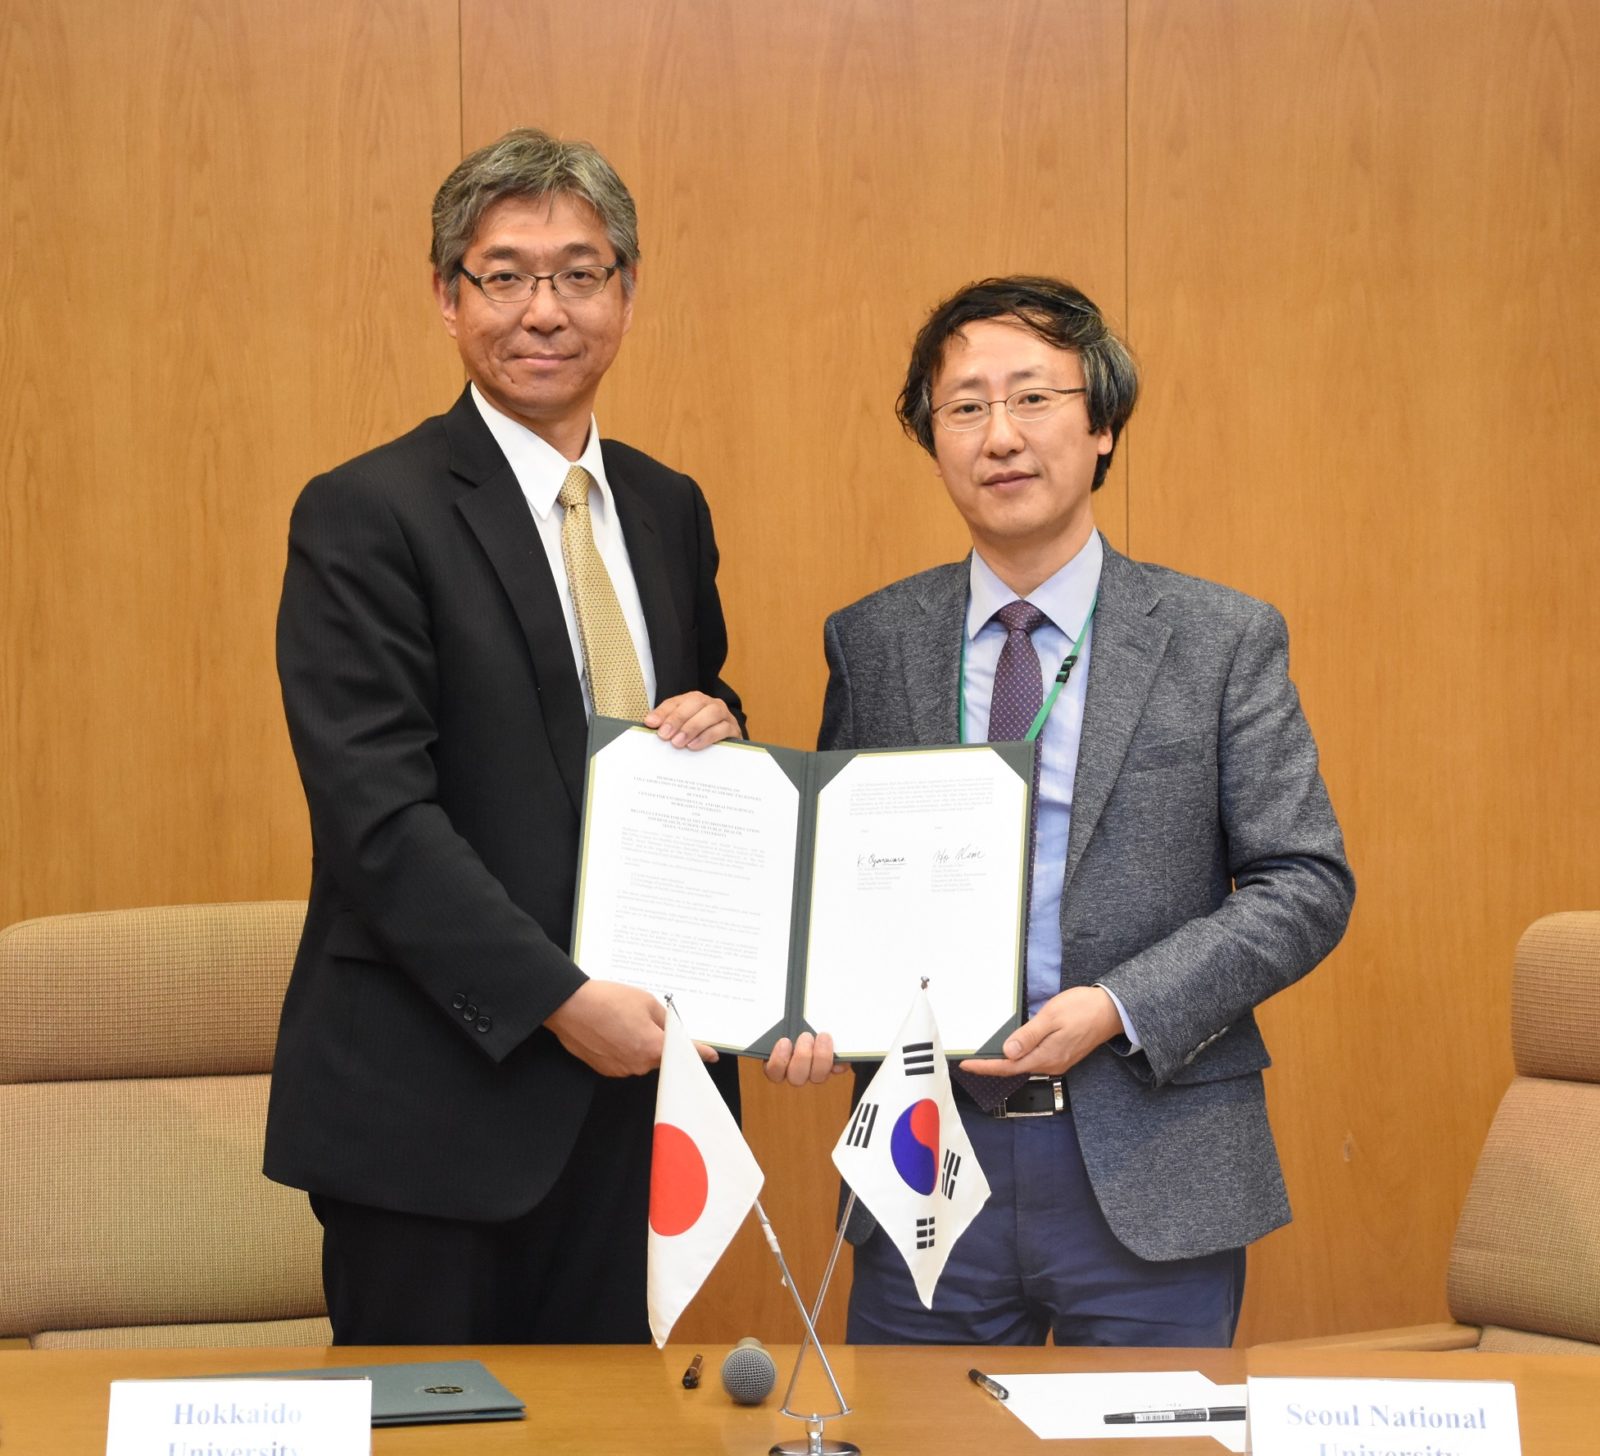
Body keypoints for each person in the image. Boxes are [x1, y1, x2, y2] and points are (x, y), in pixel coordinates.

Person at [768, 276, 1355, 1346]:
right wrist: (799, 1005)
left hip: (1147, 1151)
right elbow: (840, 880)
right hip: (924, 1156)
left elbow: (1303, 882)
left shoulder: (1219, 637)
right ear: (930, 436)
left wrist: (1117, 1004)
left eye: (1033, 398)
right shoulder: (873, 639)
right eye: (964, 406)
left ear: (1102, 426)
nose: (1000, 435)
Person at [265, 128, 746, 1345]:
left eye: (580, 274)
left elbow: (681, 752)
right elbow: (378, 821)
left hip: (639, 1108)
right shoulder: (367, 512)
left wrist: (721, 732)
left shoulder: (668, 506)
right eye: (505, 274)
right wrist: (560, 999)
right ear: (446, 296)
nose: (545, 309)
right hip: (437, 1110)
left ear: (626, 295)